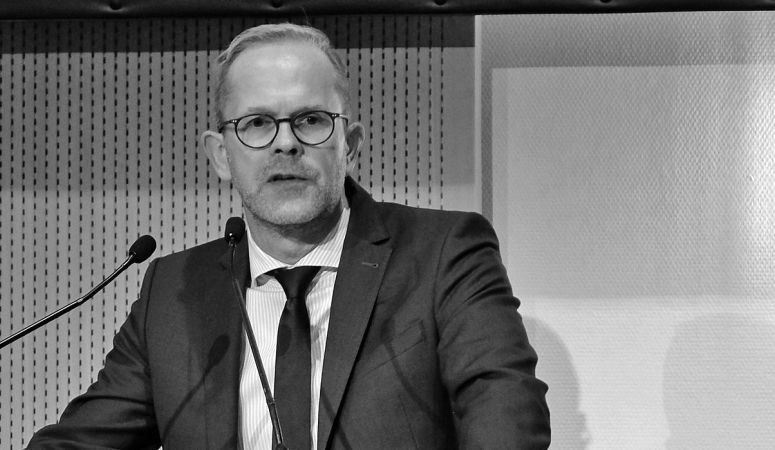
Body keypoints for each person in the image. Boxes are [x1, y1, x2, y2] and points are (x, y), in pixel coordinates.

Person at [26, 23, 550, 449]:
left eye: (310, 120)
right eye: (256, 123)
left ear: (351, 144)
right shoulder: (172, 289)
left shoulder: (444, 252)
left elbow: (506, 418)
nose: (285, 144)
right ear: (220, 156)